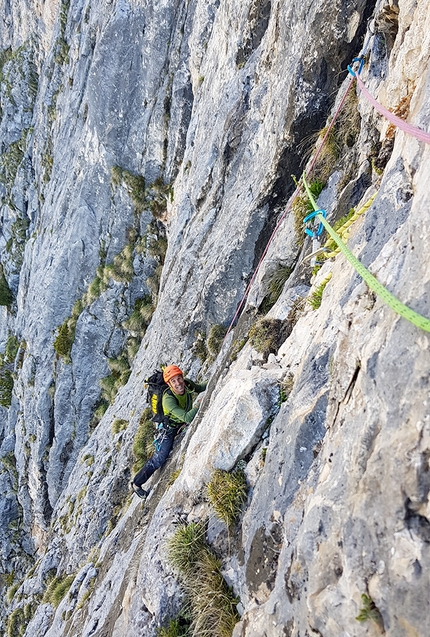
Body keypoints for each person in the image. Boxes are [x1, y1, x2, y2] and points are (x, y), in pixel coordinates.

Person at [131, 365, 207, 499]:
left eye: (179, 379)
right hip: (167, 429)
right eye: (173, 381)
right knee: (159, 459)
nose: (178, 383)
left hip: (179, 423)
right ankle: (136, 484)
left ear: (183, 377)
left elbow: (201, 387)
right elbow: (188, 417)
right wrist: (198, 404)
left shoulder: (187, 384)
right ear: (169, 384)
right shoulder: (168, 400)